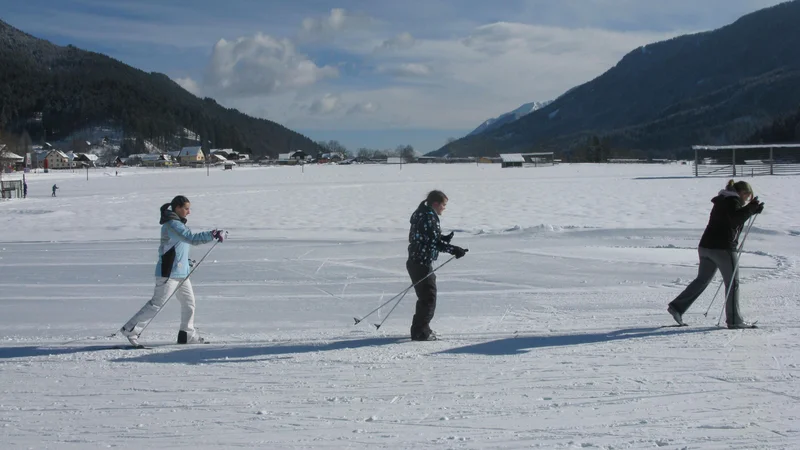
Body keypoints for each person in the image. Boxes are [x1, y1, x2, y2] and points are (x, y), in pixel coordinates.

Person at [120, 195, 225, 345]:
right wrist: (212, 234)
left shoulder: (178, 224)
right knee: (157, 304)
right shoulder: (172, 225)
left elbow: (178, 248)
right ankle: (131, 329)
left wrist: (186, 262)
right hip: (169, 273)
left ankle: (186, 334)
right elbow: (191, 239)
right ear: (177, 208)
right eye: (186, 209)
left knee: (189, 304)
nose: (189, 212)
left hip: (181, 273)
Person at [667, 180, 764, 329]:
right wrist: (751, 209)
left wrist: (751, 210)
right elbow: (734, 220)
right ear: (741, 193)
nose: (746, 200)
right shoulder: (733, 201)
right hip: (723, 249)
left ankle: (677, 307)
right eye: (747, 196)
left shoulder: (722, 200)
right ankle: (734, 321)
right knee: (732, 283)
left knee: (702, 280)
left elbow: (733, 218)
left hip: (706, 247)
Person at [406, 190, 468, 341]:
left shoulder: (423, 213)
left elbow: (426, 236)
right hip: (420, 262)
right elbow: (432, 242)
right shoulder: (428, 216)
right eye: (443, 205)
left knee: (426, 297)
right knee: (428, 298)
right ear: (435, 204)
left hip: (418, 261)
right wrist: (453, 249)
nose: (444, 208)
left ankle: (421, 328)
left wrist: (443, 238)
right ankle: (420, 332)